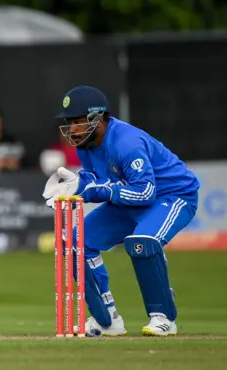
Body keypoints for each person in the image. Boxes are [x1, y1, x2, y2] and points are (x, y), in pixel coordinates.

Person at [42, 86, 199, 337]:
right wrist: (77, 187)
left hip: (172, 195)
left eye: (77, 122)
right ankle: (107, 320)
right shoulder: (86, 144)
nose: (71, 129)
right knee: (75, 241)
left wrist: (96, 189)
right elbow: (97, 180)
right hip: (130, 202)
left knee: (142, 242)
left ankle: (163, 318)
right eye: (69, 123)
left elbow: (145, 192)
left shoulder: (126, 143)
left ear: (98, 118)